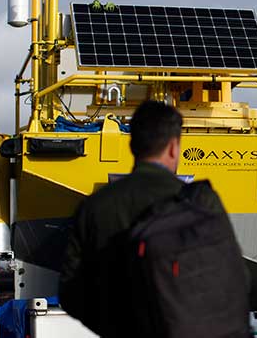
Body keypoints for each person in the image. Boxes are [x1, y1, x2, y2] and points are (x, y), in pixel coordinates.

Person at [58, 100, 235, 337]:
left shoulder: (94, 207)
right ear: (173, 147)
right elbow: (235, 279)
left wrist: (111, 325)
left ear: (132, 146)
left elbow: (70, 290)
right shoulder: (201, 202)